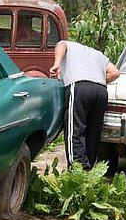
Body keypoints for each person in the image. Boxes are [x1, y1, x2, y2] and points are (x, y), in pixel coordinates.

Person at [51, 40, 121, 169]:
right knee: (93, 133)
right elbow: (115, 73)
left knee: (75, 131)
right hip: (100, 90)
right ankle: (89, 171)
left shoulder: (68, 45)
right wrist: (96, 79)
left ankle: (77, 170)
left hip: (79, 87)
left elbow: (61, 45)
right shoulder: (99, 54)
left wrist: (57, 64)